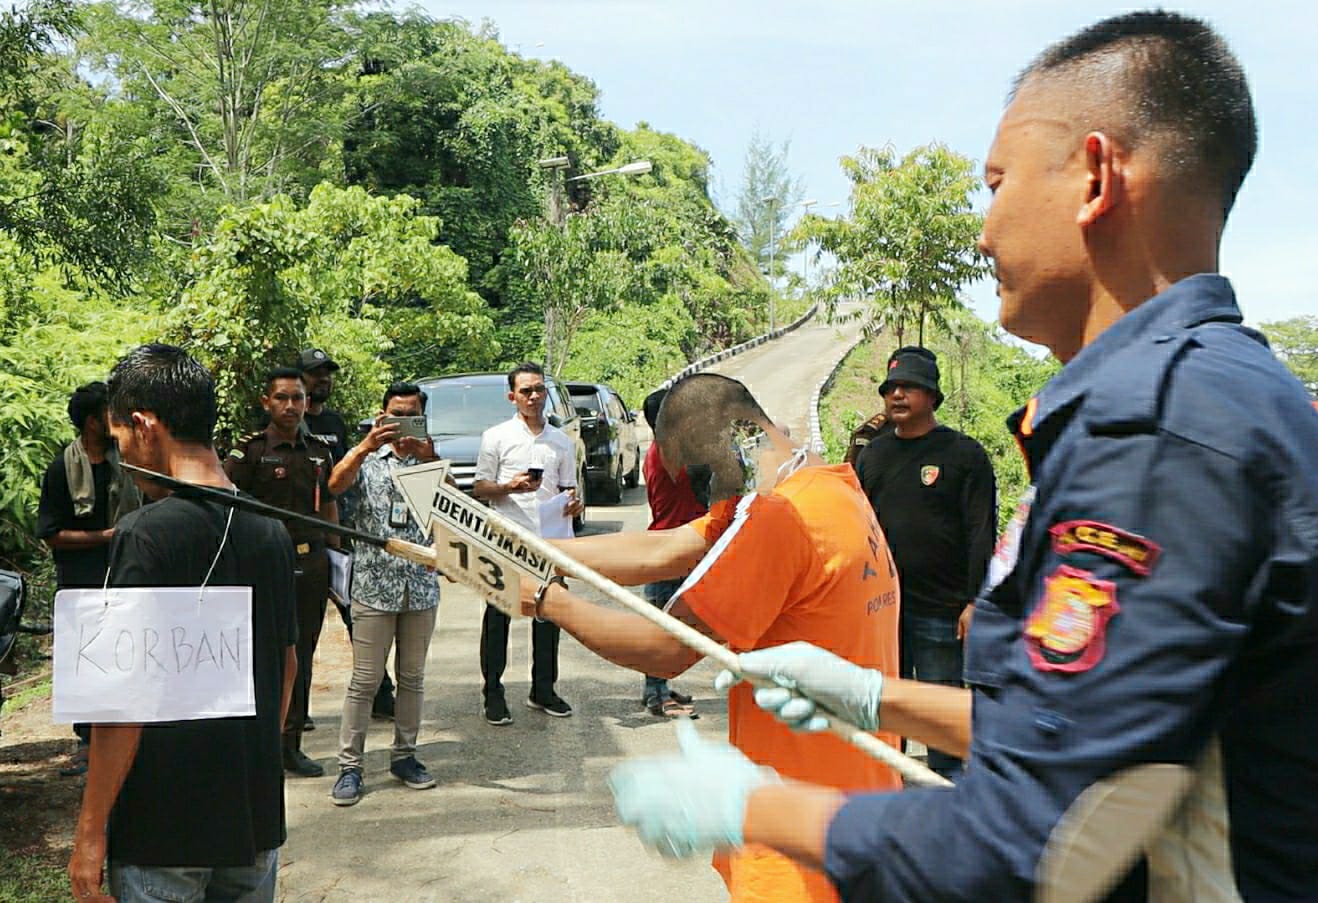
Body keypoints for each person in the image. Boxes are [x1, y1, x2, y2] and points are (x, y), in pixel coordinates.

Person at [606, 11, 1318, 901]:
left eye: (998, 183)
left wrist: (756, 808)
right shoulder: (1220, 389)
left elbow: (1039, 839)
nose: (984, 232)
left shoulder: (1158, 431)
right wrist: (876, 697)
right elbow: (1087, 729)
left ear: (1095, 177)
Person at [520, 373, 903, 903]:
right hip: (861, 803)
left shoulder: (779, 517)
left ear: (733, 442)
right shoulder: (828, 486)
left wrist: (550, 602)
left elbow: (668, 649)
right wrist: (528, 551)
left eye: (698, 474)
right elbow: (666, 549)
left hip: (798, 835)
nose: (699, 491)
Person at [67, 344, 297, 903]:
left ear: (145, 426)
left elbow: (122, 698)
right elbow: (287, 665)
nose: (123, 456)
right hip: (253, 819)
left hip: (164, 830)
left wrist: (91, 830)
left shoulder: (146, 534)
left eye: (121, 441)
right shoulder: (271, 530)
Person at [853, 346, 996, 780]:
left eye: (909, 387)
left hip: (942, 610)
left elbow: (981, 532)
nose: (897, 395)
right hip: (883, 610)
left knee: (940, 713)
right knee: (886, 708)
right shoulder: (873, 456)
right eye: (891, 388)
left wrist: (975, 602)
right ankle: (887, 793)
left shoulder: (963, 455)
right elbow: (858, 529)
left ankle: (950, 797)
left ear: (932, 396)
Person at [326, 383, 442, 806]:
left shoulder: (432, 461)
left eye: (411, 414)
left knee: (412, 678)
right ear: (381, 415)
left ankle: (405, 756)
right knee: (364, 681)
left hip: (421, 588)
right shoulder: (367, 459)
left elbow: (450, 512)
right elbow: (334, 487)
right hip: (374, 586)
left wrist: (428, 456)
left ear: (423, 417)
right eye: (395, 413)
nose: (402, 422)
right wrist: (363, 446)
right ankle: (350, 767)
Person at [225, 367, 338, 778]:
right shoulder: (248, 452)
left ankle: (290, 744)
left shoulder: (321, 451)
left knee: (301, 654)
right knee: (256, 652)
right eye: (282, 398)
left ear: (308, 403)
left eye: (298, 398)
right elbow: (224, 505)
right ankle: (255, 745)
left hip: (310, 563)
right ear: (266, 403)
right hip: (259, 564)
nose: (290, 406)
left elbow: (327, 505)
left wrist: (338, 559)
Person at [37, 381, 141, 775]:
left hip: (125, 575)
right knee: (84, 662)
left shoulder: (128, 462)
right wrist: (106, 537)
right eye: (107, 414)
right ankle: (87, 741)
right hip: (80, 582)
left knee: (125, 657)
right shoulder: (61, 469)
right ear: (91, 422)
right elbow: (52, 534)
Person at [472, 362, 583, 725]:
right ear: (512, 396)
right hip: (507, 537)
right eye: (526, 391)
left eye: (539, 389)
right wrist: (509, 487)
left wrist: (573, 502)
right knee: (498, 616)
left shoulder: (560, 441)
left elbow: (568, 488)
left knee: (549, 614)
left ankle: (544, 688)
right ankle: (493, 691)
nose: (534, 397)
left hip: (549, 540)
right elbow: (480, 488)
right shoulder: (496, 437)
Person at [298, 347, 396, 721]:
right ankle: (297, 710)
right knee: (303, 629)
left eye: (326, 373)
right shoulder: (286, 425)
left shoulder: (336, 424)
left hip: (342, 536)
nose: (322, 379)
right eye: (314, 373)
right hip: (302, 538)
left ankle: (382, 697)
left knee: (359, 620)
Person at [638, 387, 704, 718]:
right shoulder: (668, 452)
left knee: (667, 622)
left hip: (674, 544)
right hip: (672, 546)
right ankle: (657, 696)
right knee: (666, 625)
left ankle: (657, 686)